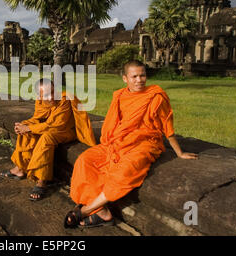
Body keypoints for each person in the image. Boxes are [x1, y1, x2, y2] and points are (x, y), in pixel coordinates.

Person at [64, 60, 198, 228]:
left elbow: (167, 126)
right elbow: (113, 123)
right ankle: (102, 212)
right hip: (118, 141)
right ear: (125, 78)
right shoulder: (120, 95)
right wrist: (112, 142)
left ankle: (85, 210)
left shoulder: (156, 96)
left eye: (142, 75)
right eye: (134, 76)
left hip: (145, 143)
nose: (139, 80)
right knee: (85, 160)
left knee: (126, 171)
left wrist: (179, 152)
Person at [0, 78, 96, 201]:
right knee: (25, 130)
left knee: (46, 137)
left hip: (65, 131)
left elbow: (57, 125)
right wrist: (23, 126)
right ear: (39, 95)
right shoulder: (40, 101)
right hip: (50, 127)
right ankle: (20, 168)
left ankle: (41, 181)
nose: (51, 97)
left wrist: (29, 128)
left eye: (52, 92)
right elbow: (38, 118)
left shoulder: (64, 100)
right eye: (45, 95)